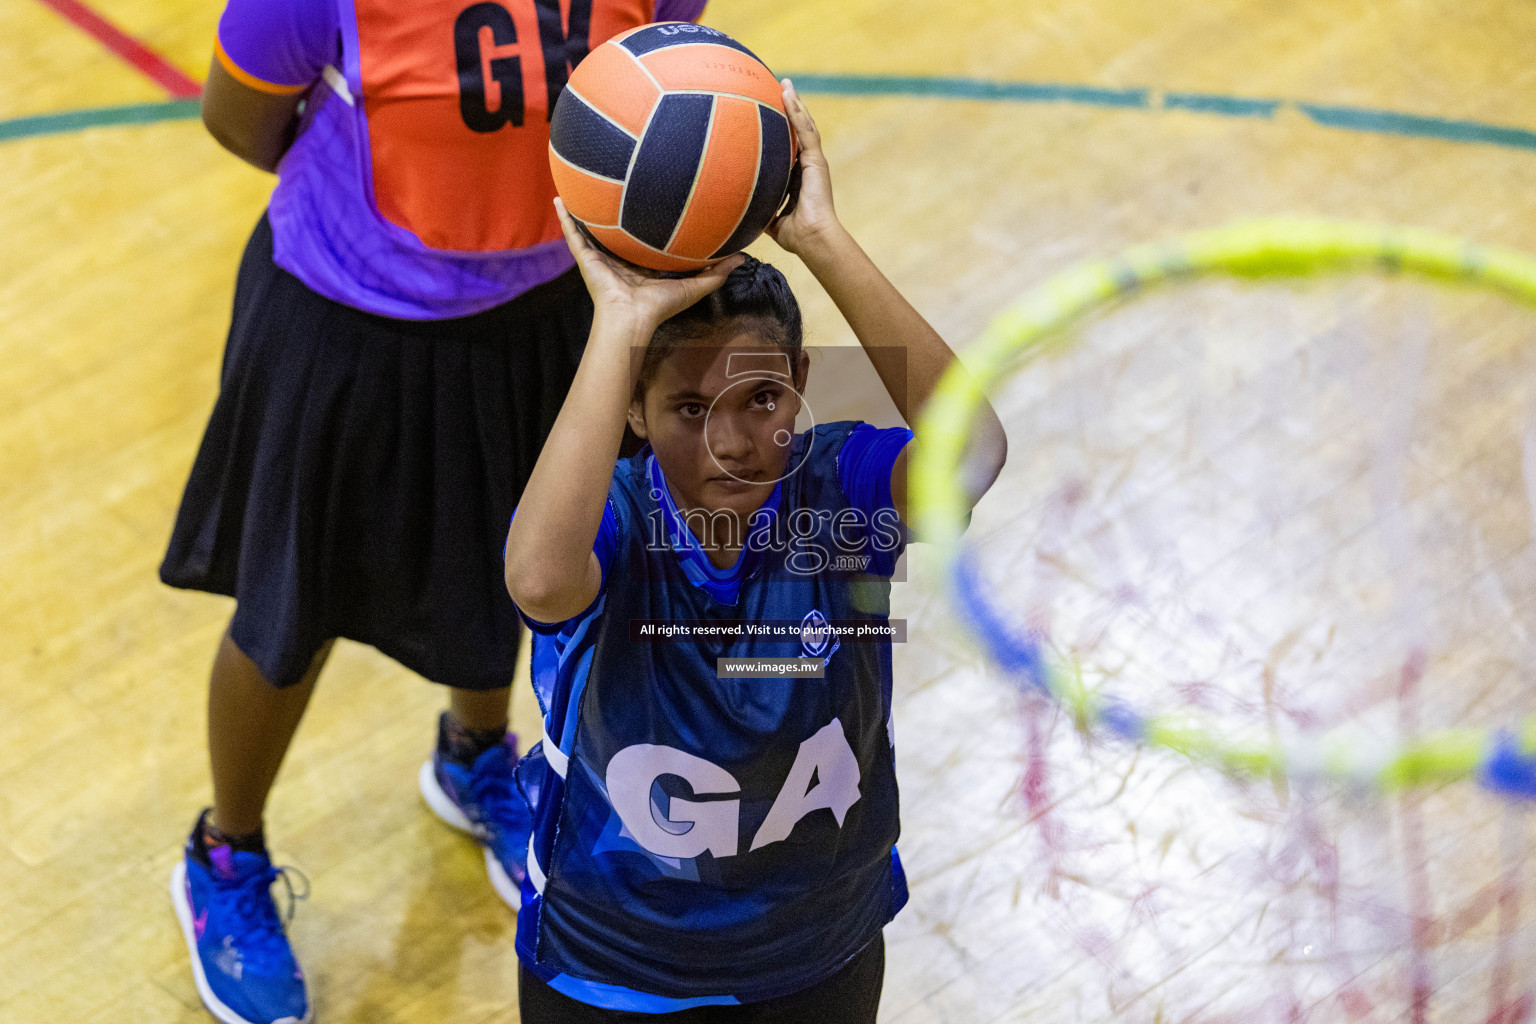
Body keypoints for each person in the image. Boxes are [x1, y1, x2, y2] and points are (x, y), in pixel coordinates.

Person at [162, 2, 706, 1023]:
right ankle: (224, 853)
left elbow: (661, 69)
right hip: (343, 316)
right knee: (288, 616)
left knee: (513, 563)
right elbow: (241, 119)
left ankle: (473, 761)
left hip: (542, 307)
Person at [503, 80, 1007, 1021]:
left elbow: (974, 457)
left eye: (761, 401)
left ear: (801, 386)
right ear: (634, 415)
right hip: (616, 962)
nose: (730, 443)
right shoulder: (607, 522)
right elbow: (536, 580)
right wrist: (620, 321)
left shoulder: (838, 487)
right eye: (688, 410)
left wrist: (822, 238)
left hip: (817, 946)